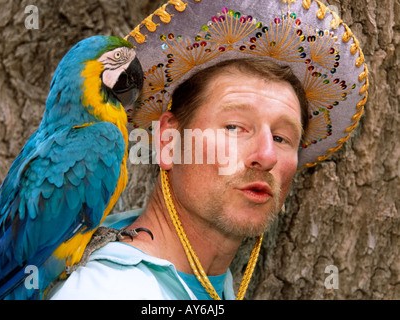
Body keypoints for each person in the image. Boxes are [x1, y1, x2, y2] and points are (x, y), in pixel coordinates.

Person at [50, 0, 368, 300]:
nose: (267, 155)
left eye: (283, 138)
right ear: (168, 143)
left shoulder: (209, 287)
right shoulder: (111, 290)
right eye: (234, 127)